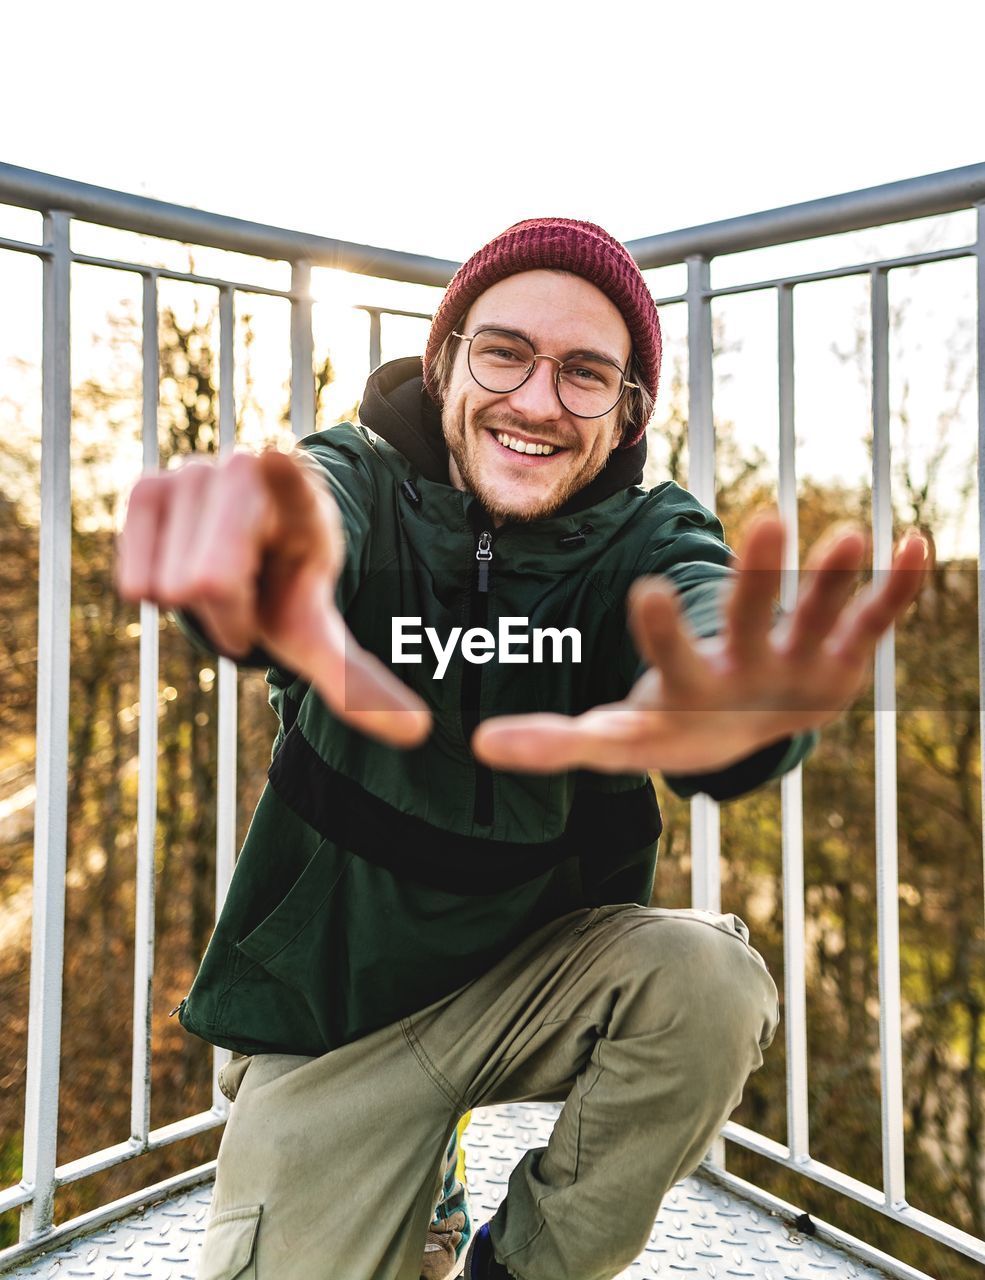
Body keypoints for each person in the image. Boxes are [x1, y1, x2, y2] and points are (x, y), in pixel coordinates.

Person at [116, 218, 927, 1280]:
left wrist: (737, 695)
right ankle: (421, 1178)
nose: (539, 400)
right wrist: (259, 548)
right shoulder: (356, 480)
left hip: (529, 983)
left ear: (628, 408)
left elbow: (702, 602)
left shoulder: (642, 537)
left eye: (586, 372)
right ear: (445, 355)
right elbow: (303, 504)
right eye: (505, 352)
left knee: (708, 981)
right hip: (337, 1017)